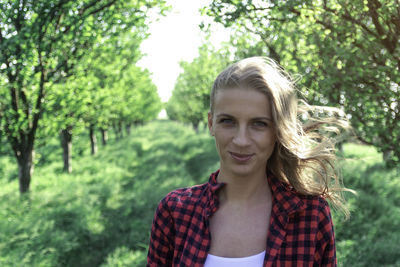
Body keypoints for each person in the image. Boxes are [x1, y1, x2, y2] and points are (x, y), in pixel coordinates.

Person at [146, 57, 350, 266]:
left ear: (277, 131)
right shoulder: (174, 212)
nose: (241, 140)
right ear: (211, 124)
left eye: (259, 124)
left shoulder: (311, 215)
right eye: (228, 121)